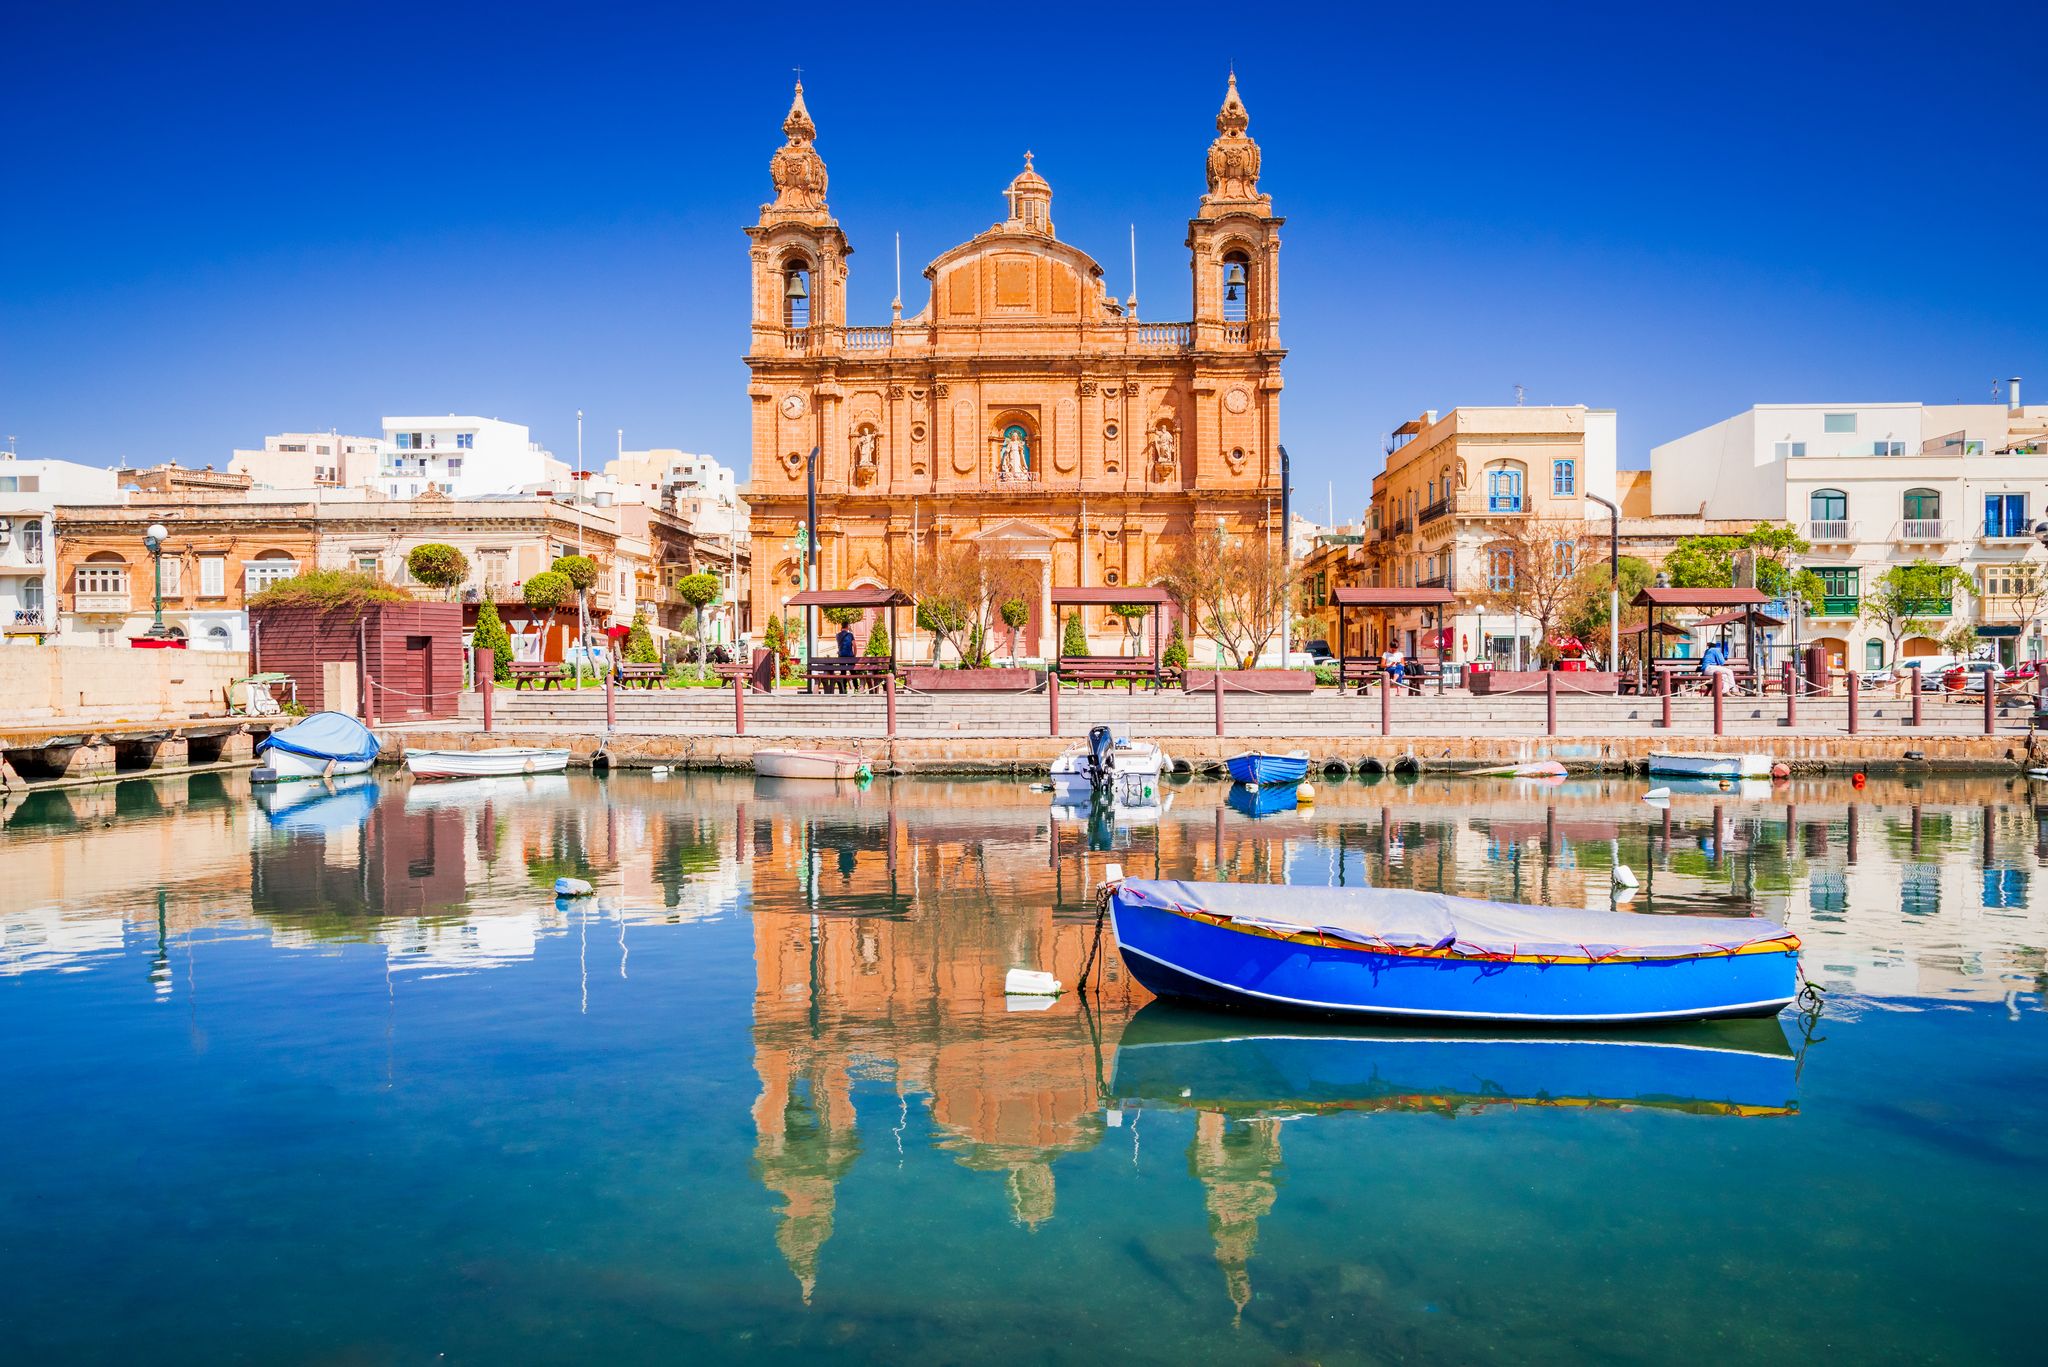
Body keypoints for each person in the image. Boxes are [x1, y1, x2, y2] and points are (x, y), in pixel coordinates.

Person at [834, 622, 857, 694]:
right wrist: (854, 655)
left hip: (841, 656)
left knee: (843, 672)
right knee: (853, 672)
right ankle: (856, 688)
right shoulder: (850, 635)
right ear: (847, 626)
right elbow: (855, 646)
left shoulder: (837, 635)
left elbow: (839, 645)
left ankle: (844, 689)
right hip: (850, 656)